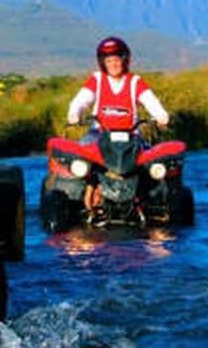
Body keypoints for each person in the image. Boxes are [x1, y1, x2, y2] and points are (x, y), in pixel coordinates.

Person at [66, 36, 170, 223]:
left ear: (124, 60)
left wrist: (161, 115)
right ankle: (85, 194)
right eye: (108, 61)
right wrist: (74, 113)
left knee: (151, 161)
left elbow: (150, 101)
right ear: (103, 63)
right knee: (80, 155)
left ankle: (148, 199)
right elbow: (81, 100)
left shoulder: (134, 81)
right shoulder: (97, 80)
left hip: (131, 136)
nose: (113, 64)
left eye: (116, 59)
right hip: (99, 134)